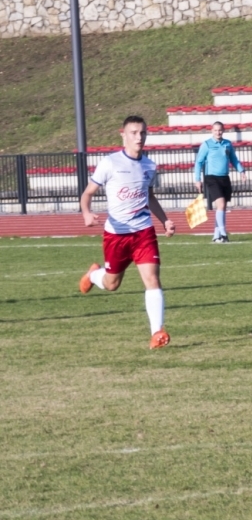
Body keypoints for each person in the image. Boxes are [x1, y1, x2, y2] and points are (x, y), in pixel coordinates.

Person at [78, 115, 177, 349]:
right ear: (123, 134)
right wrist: (86, 213)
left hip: (143, 232)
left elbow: (150, 197)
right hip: (116, 235)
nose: (139, 137)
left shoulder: (150, 166)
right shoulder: (110, 163)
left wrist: (165, 221)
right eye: (133, 132)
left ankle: (157, 332)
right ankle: (93, 275)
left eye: (142, 132)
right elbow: (87, 193)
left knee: (152, 279)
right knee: (112, 284)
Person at [193, 120, 244, 242]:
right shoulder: (206, 144)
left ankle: (216, 235)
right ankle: (223, 233)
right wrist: (197, 179)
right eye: (215, 130)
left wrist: (241, 170)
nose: (218, 132)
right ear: (212, 131)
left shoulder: (227, 144)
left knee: (222, 206)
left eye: (220, 130)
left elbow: (233, 159)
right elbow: (198, 162)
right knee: (220, 204)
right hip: (211, 177)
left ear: (223, 131)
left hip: (224, 177)